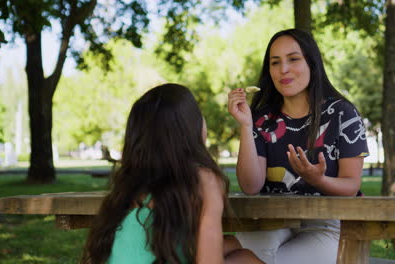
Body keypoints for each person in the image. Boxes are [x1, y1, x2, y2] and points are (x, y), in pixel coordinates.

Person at [227, 29, 369, 264]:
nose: (283, 69)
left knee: (240, 258)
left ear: (312, 63)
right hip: (271, 221)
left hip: (330, 224)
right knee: (230, 255)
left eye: (293, 59)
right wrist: (245, 125)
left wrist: (318, 179)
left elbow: (351, 186)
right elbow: (251, 186)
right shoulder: (261, 119)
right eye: (275, 62)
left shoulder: (343, 113)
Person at [81, 83, 263, 264]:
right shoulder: (204, 180)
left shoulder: (129, 184)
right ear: (190, 128)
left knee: (234, 246)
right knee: (246, 259)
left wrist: (232, 244)